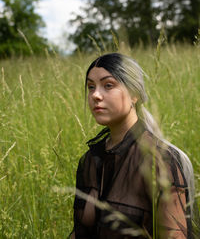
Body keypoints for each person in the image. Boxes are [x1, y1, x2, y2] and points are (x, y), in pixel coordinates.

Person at [70, 52, 196, 239]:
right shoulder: (89, 161)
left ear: (134, 94)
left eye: (108, 85)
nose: (95, 95)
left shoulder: (160, 161)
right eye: (90, 87)